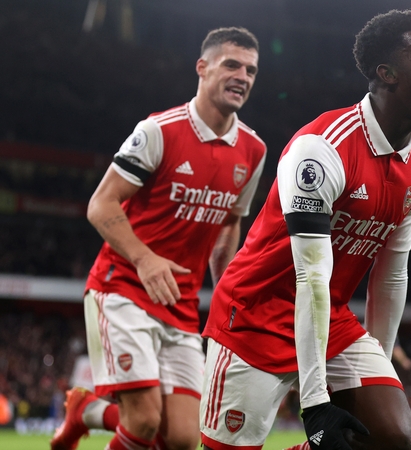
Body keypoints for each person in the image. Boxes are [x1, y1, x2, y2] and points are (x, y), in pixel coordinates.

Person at [198, 9, 411, 450]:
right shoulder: (321, 150)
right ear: (388, 74)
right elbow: (309, 276)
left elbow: (391, 274)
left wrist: (380, 367)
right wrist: (315, 405)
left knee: (392, 440)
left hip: (329, 318)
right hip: (255, 315)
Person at [50, 27, 265, 450]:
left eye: (252, 70)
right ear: (202, 68)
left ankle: (85, 412)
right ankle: (87, 411)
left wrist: (229, 295)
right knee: (145, 420)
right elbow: (101, 204)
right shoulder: (158, 131)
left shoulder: (254, 150)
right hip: (123, 287)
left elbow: (229, 228)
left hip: (181, 304)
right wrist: (145, 259)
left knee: (183, 439)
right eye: (232, 65)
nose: (243, 76)